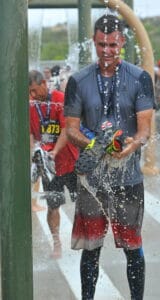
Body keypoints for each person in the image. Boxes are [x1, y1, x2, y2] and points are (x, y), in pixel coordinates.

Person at [64, 14, 155, 300]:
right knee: (91, 248)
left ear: (122, 43)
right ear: (94, 42)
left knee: (133, 247)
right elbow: (70, 129)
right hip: (91, 180)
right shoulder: (78, 81)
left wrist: (130, 145)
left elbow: (144, 132)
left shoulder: (140, 78)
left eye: (113, 45)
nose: (107, 50)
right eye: (102, 44)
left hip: (128, 179)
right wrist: (94, 145)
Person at [29, 70, 79, 258]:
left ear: (44, 83)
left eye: (35, 90)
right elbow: (31, 135)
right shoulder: (31, 105)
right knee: (53, 206)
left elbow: (67, 129)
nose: (33, 95)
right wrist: (34, 153)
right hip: (49, 168)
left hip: (71, 161)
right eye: (30, 92)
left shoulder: (60, 99)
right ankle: (57, 243)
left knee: (82, 203)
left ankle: (85, 236)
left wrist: (55, 152)